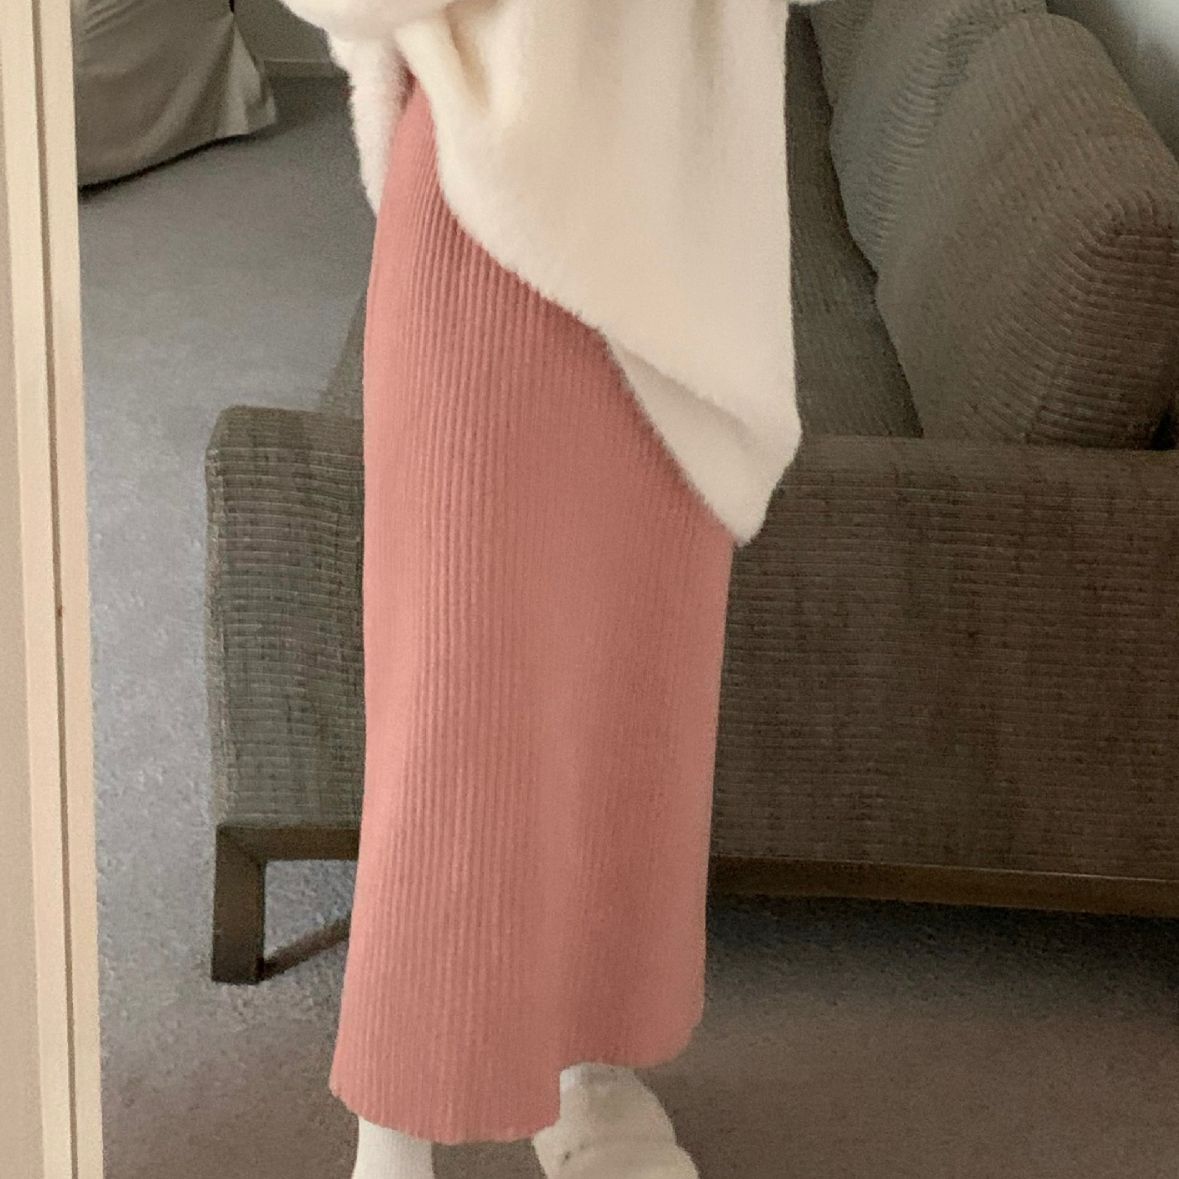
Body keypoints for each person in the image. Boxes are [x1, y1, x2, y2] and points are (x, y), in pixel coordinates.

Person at [273, 2, 821, 1175]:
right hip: (492, 199)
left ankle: (590, 1064)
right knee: (456, 691)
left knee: (640, 673)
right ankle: (395, 1132)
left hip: (685, 231)